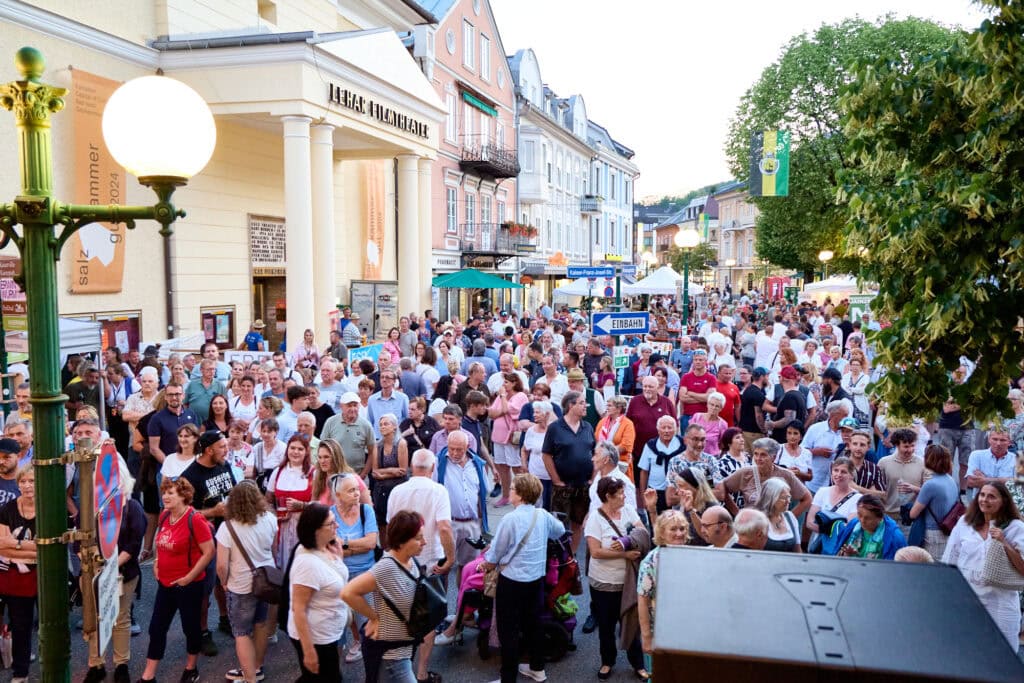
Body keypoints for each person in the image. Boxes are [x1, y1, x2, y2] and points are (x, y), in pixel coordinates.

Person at [475, 473, 567, 683]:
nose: (510, 491)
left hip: (512, 581)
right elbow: (560, 530)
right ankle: (537, 668)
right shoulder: (542, 515)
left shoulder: (510, 519)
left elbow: (496, 552)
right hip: (535, 579)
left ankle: (508, 677)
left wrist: (485, 564)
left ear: (522, 494)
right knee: (533, 624)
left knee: (509, 630)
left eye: (513, 489)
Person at [137, 478, 215, 683]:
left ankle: (191, 668)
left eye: (171, 493)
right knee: (156, 628)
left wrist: (189, 577)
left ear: (184, 496)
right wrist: (156, 563)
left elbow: (209, 552)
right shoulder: (164, 516)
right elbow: (160, 542)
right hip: (165, 583)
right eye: (164, 493)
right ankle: (148, 675)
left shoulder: (195, 519)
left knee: (191, 627)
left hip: (189, 585)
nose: (165, 497)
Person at [385, 450, 454, 683]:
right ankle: (422, 672)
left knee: (402, 616)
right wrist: (451, 558)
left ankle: (402, 667)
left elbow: (390, 527)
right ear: (433, 467)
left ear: (411, 467)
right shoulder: (439, 491)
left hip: (402, 562)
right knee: (429, 619)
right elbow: (444, 527)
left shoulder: (397, 491)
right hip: (431, 563)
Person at [341, 510, 427, 683]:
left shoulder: (411, 561)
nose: (424, 542)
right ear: (401, 542)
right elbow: (348, 592)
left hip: (406, 649)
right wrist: (374, 618)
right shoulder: (386, 568)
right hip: (392, 657)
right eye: (418, 538)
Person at [942, 483, 1024, 648]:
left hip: (1001, 601)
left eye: (991, 496)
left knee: (1003, 654)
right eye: (982, 495)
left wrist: (1004, 542)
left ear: (1004, 502)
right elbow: (950, 558)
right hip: (967, 598)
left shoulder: (1016, 527)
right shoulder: (965, 523)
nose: (984, 500)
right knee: (967, 649)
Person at [585, 477, 650, 680]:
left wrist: (627, 541)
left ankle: (638, 663)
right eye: (620, 493)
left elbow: (643, 533)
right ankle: (607, 662)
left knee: (632, 623)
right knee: (606, 624)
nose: (625, 496)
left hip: (628, 581)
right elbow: (595, 552)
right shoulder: (595, 519)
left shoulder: (629, 510)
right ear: (608, 497)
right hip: (603, 582)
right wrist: (624, 554)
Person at [216, 481, 278, 683]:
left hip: (240, 585)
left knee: (241, 633)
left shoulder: (227, 528)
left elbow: (222, 565)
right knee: (261, 625)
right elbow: (273, 550)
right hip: (266, 582)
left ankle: (249, 677)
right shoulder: (270, 518)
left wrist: (224, 582)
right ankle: (257, 668)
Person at [287, 504, 349, 683]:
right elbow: (298, 609)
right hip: (316, 638)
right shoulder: (307, 563)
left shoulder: (326, 548)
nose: (336, 526)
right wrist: (309, 652)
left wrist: (339, 558)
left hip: (327, 633)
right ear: (315, 530)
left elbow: (334, 580)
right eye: (331, 524)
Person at [329, 472, 379, 664]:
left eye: (357, 489)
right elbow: (332, 548)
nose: (357, 494)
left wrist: (346, 544)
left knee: (367, 624)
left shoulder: (367, 511)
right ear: (338, 495)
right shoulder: (330, 515)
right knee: (337, 628)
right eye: (351, 491)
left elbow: (371, 543)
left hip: (364, 576)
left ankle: (372, 667)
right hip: (338, 576)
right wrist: (357, 546)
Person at [543, 391, 596, 553]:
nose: (585, 406)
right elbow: (546, 455)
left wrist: (592, 478)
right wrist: (556, 480)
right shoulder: (555, 428)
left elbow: (595, 453)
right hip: (562, 486)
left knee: (578, 522)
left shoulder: (587, 427)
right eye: (581, 403)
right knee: (558, 523)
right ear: (570, 405)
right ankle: (557, 556)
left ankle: (571, 556)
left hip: (583, 485)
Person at [637, 510, 689, 673]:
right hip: (660, 631)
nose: (679, 533)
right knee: (661, 674)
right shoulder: (651, 562)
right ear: (662, 532)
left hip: (685, 628)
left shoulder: (690, 555)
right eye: (673, 529)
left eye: (682, 528)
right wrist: (646, 637)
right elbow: (642, 601)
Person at [0, 465, 37, 683]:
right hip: (16, 578)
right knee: (20, 625)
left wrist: (16, 546)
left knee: (50, 625)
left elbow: (47, 549)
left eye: (32, 481)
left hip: (43, 575)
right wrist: (30, 546)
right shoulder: (7, 509)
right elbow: (1, 545)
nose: (27, 485)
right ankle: (20, 673)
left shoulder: (49, 508)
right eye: (23, 481)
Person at [716, 437, 812, 516]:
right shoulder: (745, 473)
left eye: (763, 455)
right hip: (751, 528)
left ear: (773, 457)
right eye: (756, 454)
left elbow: (807, 498)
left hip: (775, 529)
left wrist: (789, 519)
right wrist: (737, 513)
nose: (758, 459)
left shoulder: (785, 475)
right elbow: (723, 487)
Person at [266, 435, 314, 569]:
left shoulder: (313, 473)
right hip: (281, 528)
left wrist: (302, 505)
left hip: (304, 527)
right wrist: (275, 514)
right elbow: (267, 501)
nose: (295, 452)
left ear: (306, 452)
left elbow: (321, 505)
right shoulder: (278, 472)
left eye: (300, 449)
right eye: (292, 448)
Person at [909, 445, 960, 561]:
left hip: (932, 533)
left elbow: (913, 514)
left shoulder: (930, 484)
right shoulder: (950, 480)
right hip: (947, 529)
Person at [488, 372, 529, 508]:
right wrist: (502, 409)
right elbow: (491, 412)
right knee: (502, 467)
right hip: (498, 436)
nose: (503, 385)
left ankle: (522, 495)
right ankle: (506, 496)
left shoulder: (520, 396)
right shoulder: (501, 397)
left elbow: (508, 409)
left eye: (506, 382)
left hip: (511, 437)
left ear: (514, 383)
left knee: (516, 467)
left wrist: (503, 398)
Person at [371, 413, 410, 542]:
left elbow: (403, 471)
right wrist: (392, 470)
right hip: (381, 490)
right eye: (381, 424)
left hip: (398, 488)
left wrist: (383, 474)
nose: (382, 427)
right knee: (382, 522)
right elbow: (375, 472)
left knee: (398, 520)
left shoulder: (401, 443)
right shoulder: (378, 445)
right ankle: (384, 549)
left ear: (394, 427)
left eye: (386, 424)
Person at [832, 494, 907, 560]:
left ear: (880, 518)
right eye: (859, 515)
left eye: (868, 518)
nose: (862, 520)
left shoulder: (894, 538)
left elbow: (895, 569)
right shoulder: (853, 526)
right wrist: (846, 555)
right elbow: (837, 556)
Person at [321, 392, 376, 478]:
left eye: (355, 405)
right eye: (349, 406)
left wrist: (363, 474)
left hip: (357, 476)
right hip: (334, 475)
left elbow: (372, 452)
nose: (353, 409)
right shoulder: (331, 422)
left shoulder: (366, 425)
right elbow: (323, 448)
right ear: (341, 406)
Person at [637, 416, 684, 514]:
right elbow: (644, 472)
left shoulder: (683, 445)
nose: (666, 431)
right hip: (655, 492)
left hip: (677, 493)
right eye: (663, 427)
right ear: (658, 429)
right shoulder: (650, 445)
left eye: (670, 428)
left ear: (675, 429)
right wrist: (643, 496)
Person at [807, 457, 863, 540]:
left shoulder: (858, 498)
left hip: (840, 545)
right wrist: (827, 532)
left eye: (843, 472)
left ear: (851, 476)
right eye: (836, 470)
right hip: (819, 545)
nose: (838, 474)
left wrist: (826, 531)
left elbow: (847, 527)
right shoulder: (822, 492)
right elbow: (809, 522)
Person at [595, 395, 636, 481]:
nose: (607, 408)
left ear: (619, 408)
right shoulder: (602, 422)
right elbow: (596, 440)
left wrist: (606, 454)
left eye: (610, 405)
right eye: (607, 405)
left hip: (620, 465)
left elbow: (626, 446)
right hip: (602, 465)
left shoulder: (628, 424)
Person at [756, 477, 801, 552]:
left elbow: (798, 550)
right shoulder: (758, 520)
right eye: (783, 498)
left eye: (789, 497)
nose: (788, 501)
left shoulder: (790, 517)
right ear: (770, 498)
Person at [689, 391, 728, 457]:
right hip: (694, 455)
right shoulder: (697, 417)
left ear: (721, 409)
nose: (713, 408)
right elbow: (689, 436)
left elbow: (723, 445)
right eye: (711, 404)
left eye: (717, 406)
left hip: (712, 457)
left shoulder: (722, 424)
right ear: (707, 404)